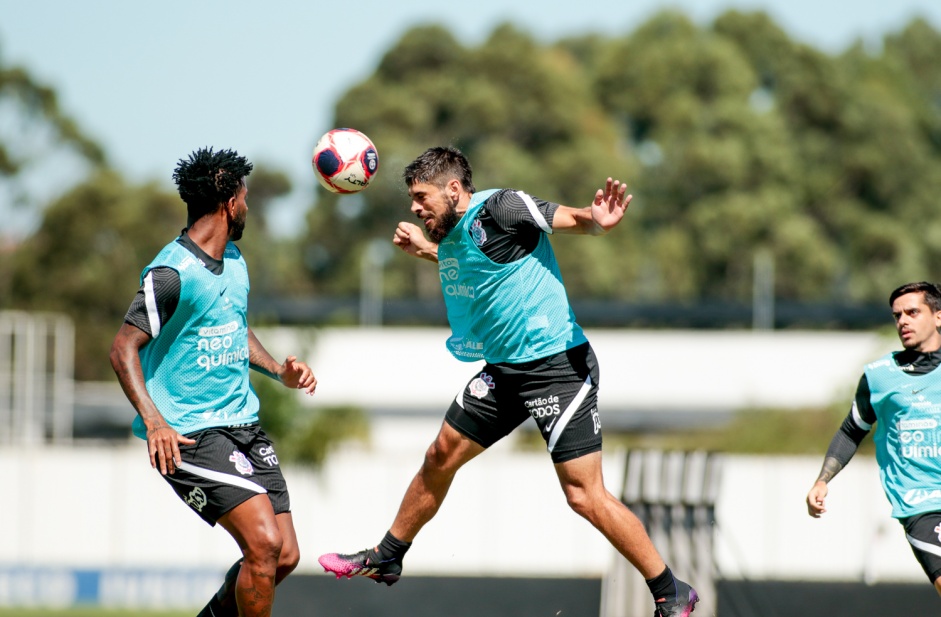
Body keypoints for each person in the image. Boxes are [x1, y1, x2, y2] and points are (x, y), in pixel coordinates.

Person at [318, 146, 699, 617]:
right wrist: (426, 251)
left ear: (453, 189)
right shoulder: (456, 232)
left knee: (583, 495)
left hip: (556, 367)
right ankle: (388, 556)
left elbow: (573, 218)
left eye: (422, 197)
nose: (415, 208)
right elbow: (482, 265)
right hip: (504, 371)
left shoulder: (502, 206)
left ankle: (670, 590)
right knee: (440, 455)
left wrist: (595, 219)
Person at [110, 147, 318, 617]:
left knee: (283, 555)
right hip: (188, 433)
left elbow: (233, 327)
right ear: (229, 203)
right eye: (244, 196)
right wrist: (155, 422)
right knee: (263, 544)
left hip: (243, 424)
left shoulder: (235, 260)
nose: (248, 206)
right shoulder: (171, 273)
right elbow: (121, 348)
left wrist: (277, 371)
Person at [807, 281, 941, 597]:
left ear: (938, 316)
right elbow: (852, 430)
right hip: (921, 502)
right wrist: (823, 480)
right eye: (897, 316)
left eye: (912, 312)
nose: (903, 321)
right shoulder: (879, 376)